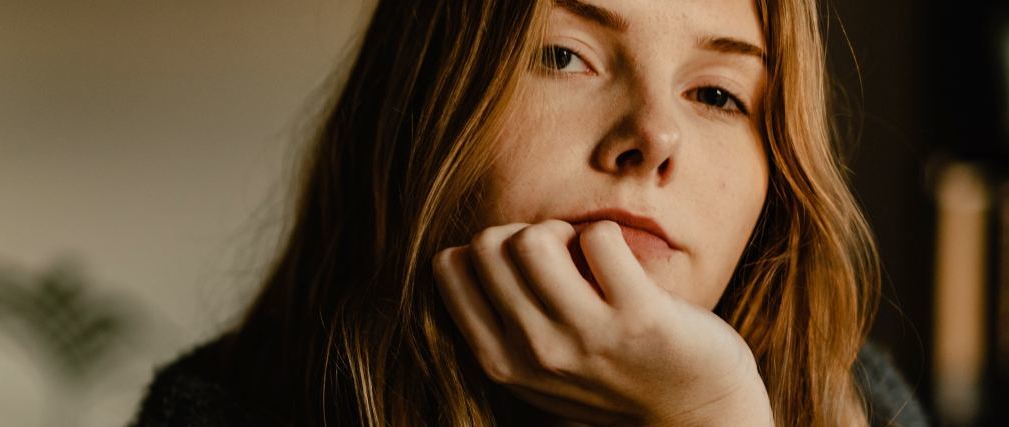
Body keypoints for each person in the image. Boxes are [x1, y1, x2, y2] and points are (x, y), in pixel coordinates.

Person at [131, 0, 929, 425]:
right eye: (564, 56)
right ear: (419, 108)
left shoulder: (859, 398)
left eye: (717, 95)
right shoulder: (217, 412)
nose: (654, 136)